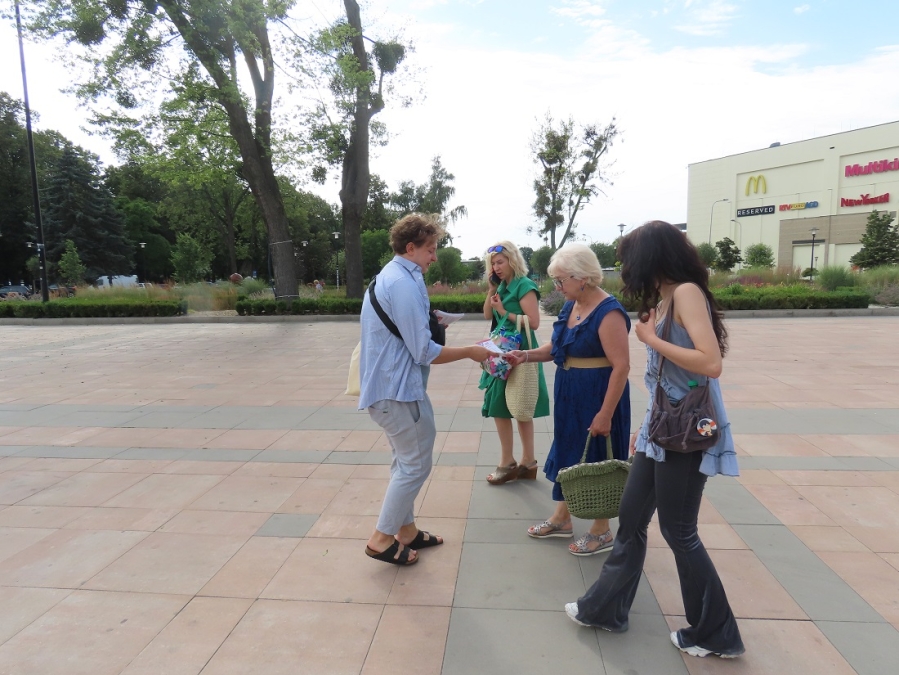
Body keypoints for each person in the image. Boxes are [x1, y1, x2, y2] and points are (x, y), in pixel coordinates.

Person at [564, 221, 744, 659]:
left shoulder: (686, 293)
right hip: (661, 430)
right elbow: (663, 379)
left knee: (679, 531)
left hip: (687, 432)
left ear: (650, 257)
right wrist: (644, 431)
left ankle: (716, 633)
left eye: (628, 259)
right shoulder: (664, 299)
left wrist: (649, 339)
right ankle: (605, 609)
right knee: (631, 517)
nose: (625, 268)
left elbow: (710, 363)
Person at [359, 213, 491, 566]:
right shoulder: (401, 283)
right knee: (415, 466)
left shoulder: (392, 276)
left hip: (391, 388)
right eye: (431, 249)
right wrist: (470, 351)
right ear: (411, 247)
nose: (434, 256)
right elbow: (423, 351)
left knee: (406, 462)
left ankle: (407, 531)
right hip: (398, 391)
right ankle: (381, 538)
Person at [505, 244, 631, 555]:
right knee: (567, 450)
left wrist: (605, 414)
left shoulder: (609, 312)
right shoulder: (572, 305)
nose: (557, 287)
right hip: (570, 390)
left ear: (582, 277)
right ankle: (562, 518)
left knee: (598, 457)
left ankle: (602, 530)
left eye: (561, 280)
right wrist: (525, 355)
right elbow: (556, 348)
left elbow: (621, 367)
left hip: (597, 394)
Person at [479, 241, 550, 485]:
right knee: (499, 404)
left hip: (518, 352)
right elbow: (487, 315)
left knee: (519, 405)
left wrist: (503, 311)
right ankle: (519, 461)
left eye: (500, 262)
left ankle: (518, 462)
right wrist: (491, 290)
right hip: (501, 351)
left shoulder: (524, 285)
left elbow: (534, 322)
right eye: (493, 264)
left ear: (513, 260)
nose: (496, 268)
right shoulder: (501, 286)